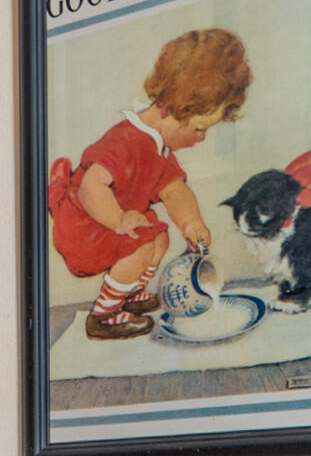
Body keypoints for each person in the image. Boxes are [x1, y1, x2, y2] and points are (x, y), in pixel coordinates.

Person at [46, 28, 250, 341]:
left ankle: (126, 293)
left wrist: (191, 222)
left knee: (159, 239)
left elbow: (174, 190)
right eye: (198, 128)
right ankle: (103, 315)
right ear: (170, 108)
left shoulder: (158, 146)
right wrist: (118, 220)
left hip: (109, 225)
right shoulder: (126, 141)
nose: (201, 138)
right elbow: (90, 188)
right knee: (141, 246)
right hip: (86, 224)